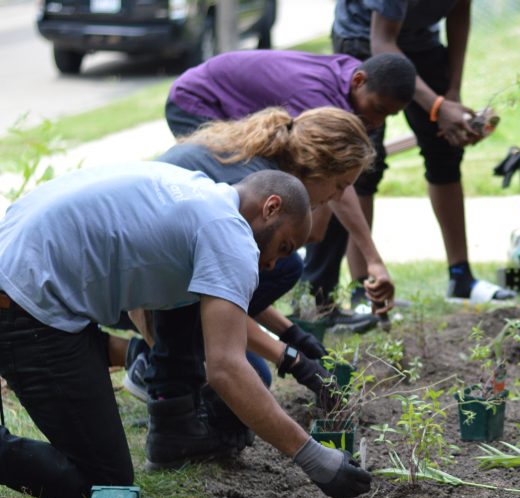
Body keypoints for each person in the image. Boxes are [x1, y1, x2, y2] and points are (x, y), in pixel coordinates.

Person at [0, 163, 371, 498]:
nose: (273, 263)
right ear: (271, 207)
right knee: (103, 481)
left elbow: (139, 297)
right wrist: (314, 457)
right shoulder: (231, 234)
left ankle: (140, 388)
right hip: (25, 307)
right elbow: (227, 369)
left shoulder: (196, 192)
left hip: (25, 277)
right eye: (284, 247)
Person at [125, 107, 376, 468]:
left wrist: (292, 335)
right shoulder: (258, 196)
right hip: (138, 284)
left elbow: (223, 287)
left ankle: (167, 368)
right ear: (320, 164)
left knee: (252, 366)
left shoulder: (264, 176)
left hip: (154, 275)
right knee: (251, 373)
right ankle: (150, 363)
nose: (336, 198)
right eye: (339, 186)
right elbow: (217, 294)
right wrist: (291, 359)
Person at [167, 49, 419, 321]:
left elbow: (330, 199)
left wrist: (290, 339)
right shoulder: (317, 103)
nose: (378, 122)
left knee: (284, 241)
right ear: (358, 81)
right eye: (379, 109)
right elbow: (334, 201)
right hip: (197, 98)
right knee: (257, 238)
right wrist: (374, 261)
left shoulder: (353, 85)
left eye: (388, 116)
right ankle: (209, 320)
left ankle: (313, 303)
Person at [330, 0, 514, 303]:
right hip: (364, 39)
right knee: (362, 160)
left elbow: (459, 13)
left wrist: (452, 91)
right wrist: (438, 106)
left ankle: (461, 278)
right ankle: (363, 289)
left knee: (446, 147)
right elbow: (382, 41)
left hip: (420, 41)